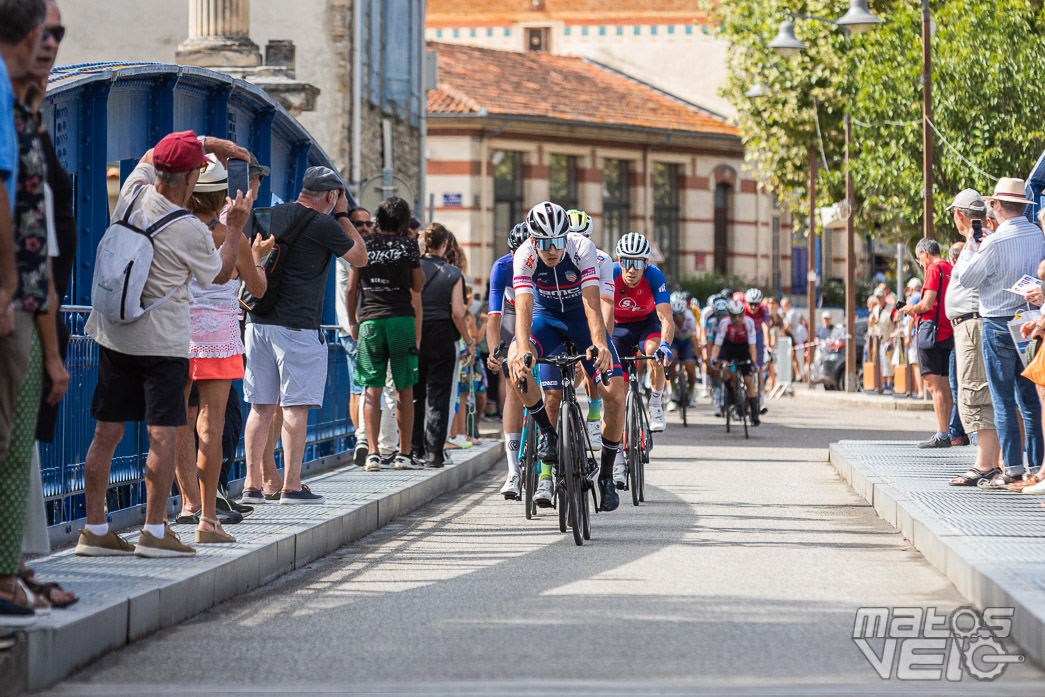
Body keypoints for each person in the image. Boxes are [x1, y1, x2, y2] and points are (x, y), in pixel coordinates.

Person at [76, 132, 243, 558]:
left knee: (105, 434)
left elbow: (152, 151)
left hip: (114, 334)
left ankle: (94, 530)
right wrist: (237, 228)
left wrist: (205, 142)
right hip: (163, 345)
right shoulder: (190, 229)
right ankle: (154, 531)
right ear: (190, 177)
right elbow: (220, 276)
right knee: (164, 435)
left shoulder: (130, 194)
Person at [240, 166, 367, 504]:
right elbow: (360, 256)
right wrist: (342, 215)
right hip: (297, 328)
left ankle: (251, 485)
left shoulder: (266, 214)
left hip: (257, 321)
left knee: (261, 406)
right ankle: (291, 485)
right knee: (296, 406)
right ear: (331, 195)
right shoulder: (325, 224)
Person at [174, 156, 272, 543]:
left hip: (176, 335)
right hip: (219, 338)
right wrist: (257, 260)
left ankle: (186, 504)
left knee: (175, 422)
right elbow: (259, 290)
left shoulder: (175, 233)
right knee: (211, 426)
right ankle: (208, 519)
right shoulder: (233, 238)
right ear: (221, 199)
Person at [507, 201, 624, 512]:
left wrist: (600, 342)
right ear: (533, 240)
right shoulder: (525, 255)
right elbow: (524, 307)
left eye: (557, 242)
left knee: (616, 394)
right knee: (514, 363)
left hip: (581, 321)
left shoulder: (582, 247)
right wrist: (522, 350)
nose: (552, 250)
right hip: (546, 320)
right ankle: (547, 433)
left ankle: (608, 476)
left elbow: (592, 302)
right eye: (544, 243)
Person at [952, 177, 1045, 486]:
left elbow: (966, 278)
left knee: (1002, 398)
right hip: (1029, 319)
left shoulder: (993, 241)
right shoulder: (1036, 233)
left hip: (997, 321)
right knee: (1029, 397)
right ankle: (1036, 465)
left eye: (992, 203)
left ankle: (1013, 467)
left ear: (998, 206)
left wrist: (970, 243)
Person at [346, 196, 424, 472]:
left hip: (371, 323)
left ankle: (373, 453)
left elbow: (350, 288)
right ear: (403, 221)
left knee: (371, 389)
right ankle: (403, 454)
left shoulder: (365, 244)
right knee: (404, 388)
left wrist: (353, 322)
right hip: (401, 319)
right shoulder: (408, 245)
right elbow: (417, 285)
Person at [942, 190, 1003, 486]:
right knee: (976, 391)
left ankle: (985, 464)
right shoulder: (980, 241)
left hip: (973, 324)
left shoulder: (981, 242)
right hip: (970, 324)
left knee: (976, 393)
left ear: (959, 215)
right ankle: (989, 462)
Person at [411, 223, 467, 468]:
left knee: (415, 394)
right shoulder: (453, 273)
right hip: (443, 335)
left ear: (424, 243)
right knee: (439, 396)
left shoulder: (413, 268)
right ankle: (434, 453)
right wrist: (469, 338)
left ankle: (413, 450)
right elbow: (458, 311)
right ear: (445, 244)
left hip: (416, 334)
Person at [611, 233, 674, 433]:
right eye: (626, 262)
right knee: (617, 394)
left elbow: (666, 317)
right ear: (619, 261)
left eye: (637, 264)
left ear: (646, 263)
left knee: (654, 352)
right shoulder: (609, 273)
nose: (631, 269)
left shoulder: (654, 275)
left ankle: (655, 404)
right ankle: (619, 453)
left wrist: (665, 344)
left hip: (647, 323)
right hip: (618, 327)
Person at [565, 210, 615, 448]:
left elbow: (605, 303)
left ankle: (594, 417)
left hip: (589, 318)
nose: (577, 243)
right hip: (563, 317)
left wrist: (601, 341)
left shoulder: (602, 260)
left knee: (588, 371)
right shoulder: (554, 256)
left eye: (582, 236)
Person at [487, 223, 529, 499]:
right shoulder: (502, 267)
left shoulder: (546, 263)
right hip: (514, 316)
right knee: (513, 385)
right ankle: (513, 471)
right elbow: (494, 317)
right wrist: (495, 352)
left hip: (542, 315)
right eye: (516, 253)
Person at [900, 238, 954, 447]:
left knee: (933, 385)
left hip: (930, 331)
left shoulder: (934, 269)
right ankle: (946, 431)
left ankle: (941, 435)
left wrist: (908, 309)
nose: (920, 263)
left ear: (925, 253)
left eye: (919, 258)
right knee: (945, 384)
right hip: (946, 331)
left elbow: (927, 303)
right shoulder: (950, 267)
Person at [710, 298, 760, 425]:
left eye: (740, 315)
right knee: (725, 368)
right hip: (728, 346)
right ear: (729, 315)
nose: (737, 319)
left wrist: (753, 363)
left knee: (748, 379)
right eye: (734, 316)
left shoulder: (749, 322)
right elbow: (717, 345)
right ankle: (731, 394)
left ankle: (754, 414)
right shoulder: (724, 324)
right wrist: (713, 360)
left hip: (743, 347)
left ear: (743, 314)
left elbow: (753, 345)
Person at [667, 294, 698, 409]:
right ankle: (673, 391)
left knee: (690, 367)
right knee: (671, 359)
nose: (678, 318)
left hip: (686, 342)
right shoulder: (668, 316)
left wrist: (697, 356)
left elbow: (694, 338)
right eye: (675, 315)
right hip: (674, 340)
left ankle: (691, 392)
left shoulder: (690, 317)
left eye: (681, 315)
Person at [869, 288, 898, 392]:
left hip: (888, 339)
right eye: (877, 297)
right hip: (879, 340)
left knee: (888, 362)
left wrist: (892, 337)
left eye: (880, 297)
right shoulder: (876, 309)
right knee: (880, 362)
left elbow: (896, 323)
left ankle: (889, 384)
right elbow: (873, 324)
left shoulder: (891, 308)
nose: (879, 299)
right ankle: (882, 384)